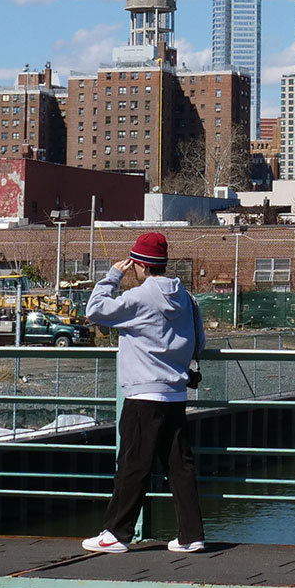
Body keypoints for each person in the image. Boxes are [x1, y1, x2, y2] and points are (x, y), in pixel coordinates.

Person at [81, 232, 206, 555]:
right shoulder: (186, 298)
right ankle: (191, 534)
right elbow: (200, 342)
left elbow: (95, 310)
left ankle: (116, 533)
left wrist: (112, 276)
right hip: (176, 393)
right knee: (180, 467)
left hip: (142, 394)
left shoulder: (140, 297)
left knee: (133, 465)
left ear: (139, 264)